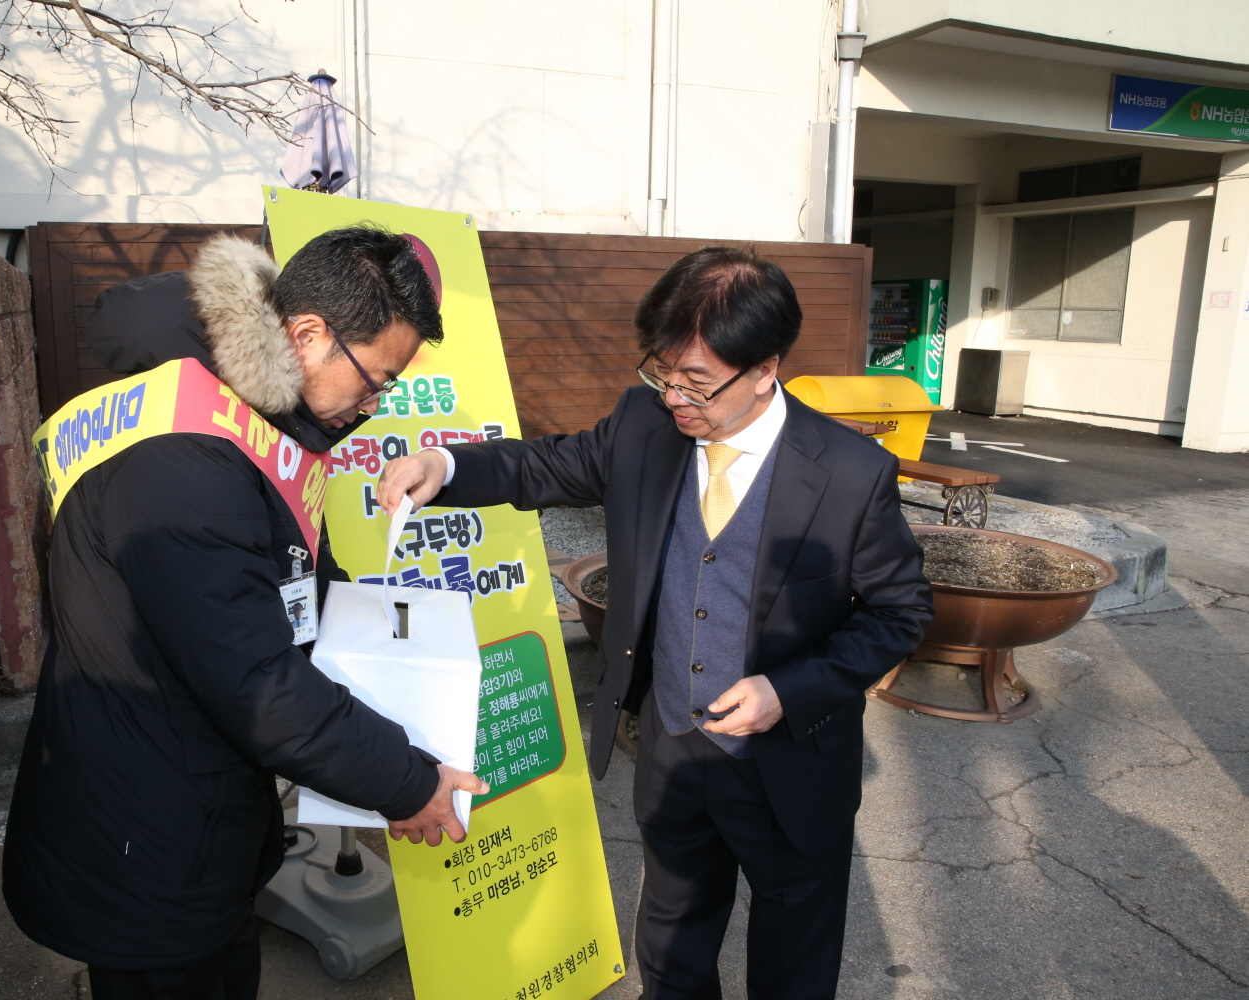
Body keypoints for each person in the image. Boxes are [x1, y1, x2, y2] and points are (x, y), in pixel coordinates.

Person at [378, 246, 932, 1000]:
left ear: (765, 368)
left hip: (790, 767)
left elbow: (900, 612)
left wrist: (790, 688)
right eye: (661, 372)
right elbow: (545, 467)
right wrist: (445, 468)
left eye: (696, 381)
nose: (674, 396)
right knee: (671, 949)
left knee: (794, 964)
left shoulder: (847, 471)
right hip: (671, 747)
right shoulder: (644, 424)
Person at [3, 227, 486, 1000]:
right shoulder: (183, 462)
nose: (376, 403)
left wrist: (402, 643)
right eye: (376, 380)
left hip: (197, 813)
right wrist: (405, 780)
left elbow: (295, 590)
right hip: (143, 839)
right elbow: (255, 680)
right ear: (307, 334)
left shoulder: (236, 419)